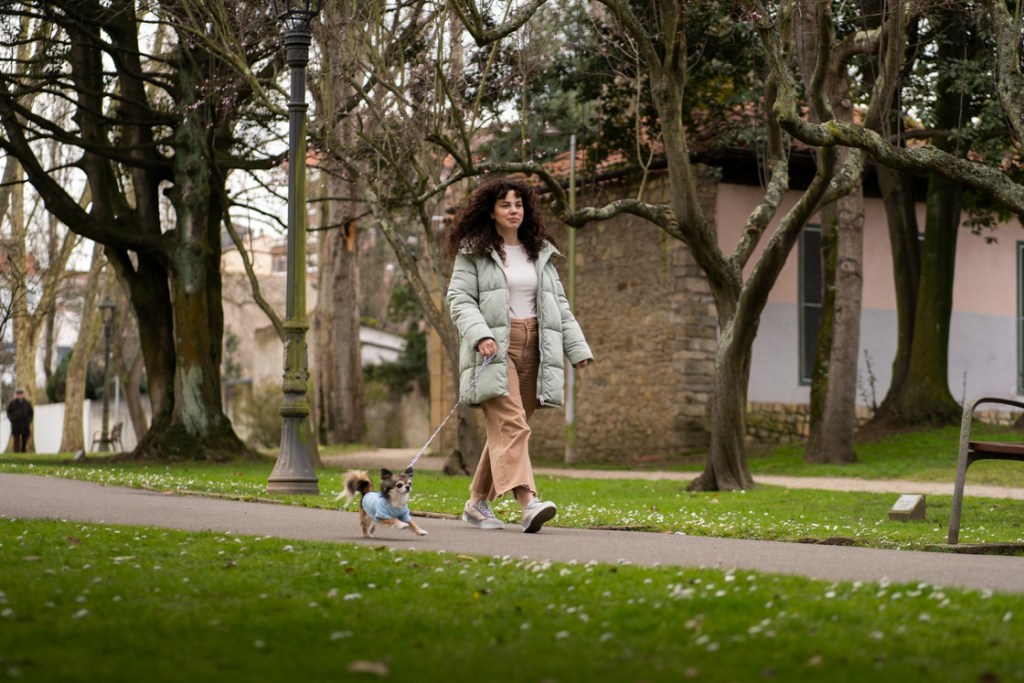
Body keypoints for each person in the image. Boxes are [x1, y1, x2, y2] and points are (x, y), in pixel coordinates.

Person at [445, 176, 593, 533]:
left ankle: (477, 503)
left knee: (507, 430)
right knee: (513, 425)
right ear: (491, 212)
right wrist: (480, 334)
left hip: (537, 344)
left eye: (518, 204)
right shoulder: (474, 253)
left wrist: (577, 348)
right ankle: (529, 503)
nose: (514, 211)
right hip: (495, 347)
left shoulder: (538, 251)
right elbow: (459, 299)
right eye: (505, 205)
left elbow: (559, 305)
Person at [6, 388, 34, 453]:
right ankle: (16, 451)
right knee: (16, 438)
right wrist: (12, 419)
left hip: (25, 423)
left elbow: (31, 413)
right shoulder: (12, 403)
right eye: (18, 394)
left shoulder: (27, 403)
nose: (19, 395)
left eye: (20, 394)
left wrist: (28, 420)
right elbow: (8, 412)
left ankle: (23, 451)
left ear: (23, 395)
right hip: (16, 423)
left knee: (24, 438)